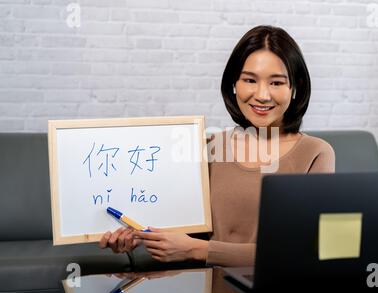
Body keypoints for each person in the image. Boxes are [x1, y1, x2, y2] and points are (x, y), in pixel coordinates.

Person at [99, 25, 335, 267]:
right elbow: (186, 235)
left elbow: (307, 250)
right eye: (250, 80)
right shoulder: (209, 147)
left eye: (276, 83)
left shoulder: (316, 153)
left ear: (295, 87)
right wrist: (139, 236)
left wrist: (198, 250)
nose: (263, 95)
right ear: (234, 84)